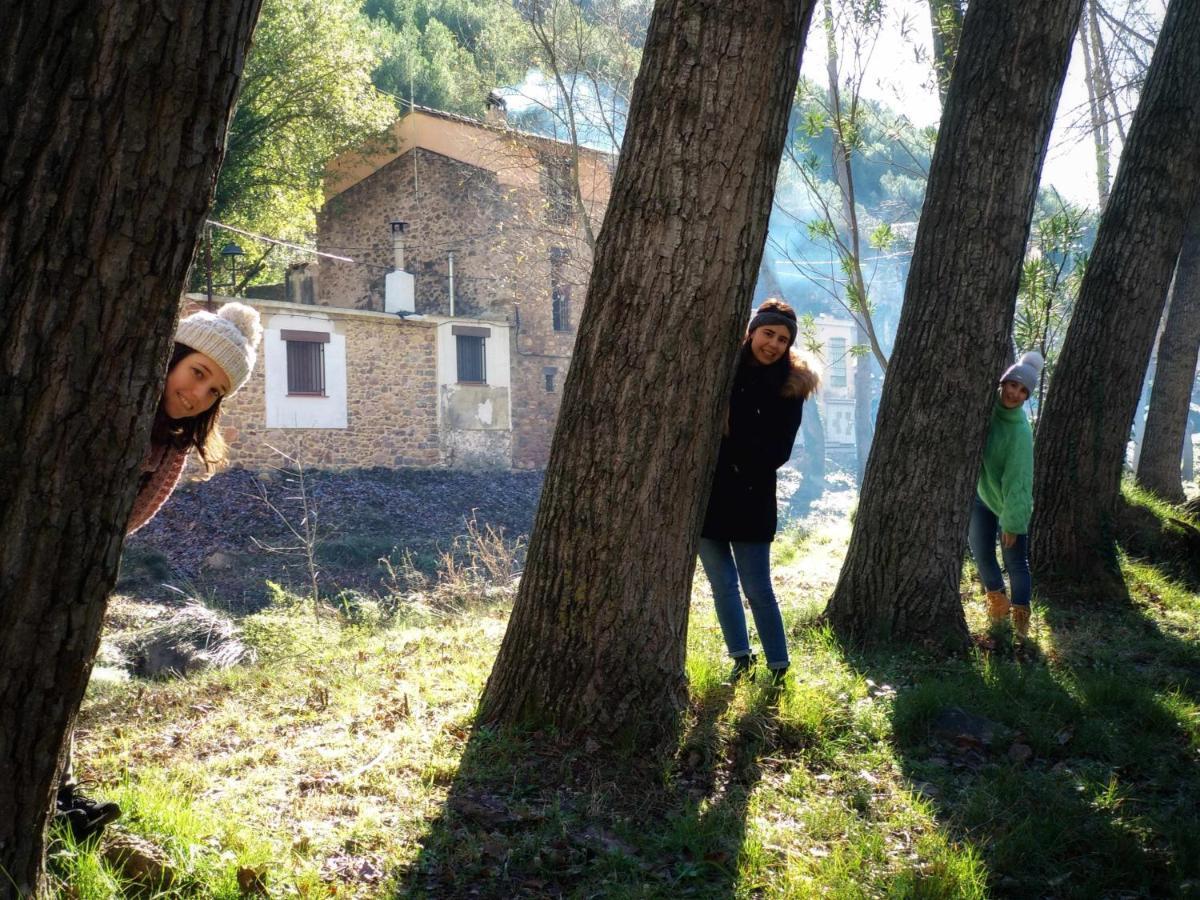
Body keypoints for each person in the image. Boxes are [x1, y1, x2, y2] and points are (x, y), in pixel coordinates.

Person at [56, 301, 261, 841]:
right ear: (171, 357)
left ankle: (63, 798)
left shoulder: (172, 451)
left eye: (213, 390)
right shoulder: (111, 405)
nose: (197, 394)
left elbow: (126, 522)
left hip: (75, 573)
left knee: (57, 676)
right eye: (197, 372)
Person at [698, 299, 819, 686]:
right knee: (721, 584)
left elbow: (778, 451)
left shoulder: (790, 386)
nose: (774, 344)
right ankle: (740, 659)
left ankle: (779, 666)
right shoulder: (720, 370)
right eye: (768, 334)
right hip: (707, 495)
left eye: (783, 339)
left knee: (757, 587)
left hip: (752, 496)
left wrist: (733, 450)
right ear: (752, 331)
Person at [968, 350, 1043, 639]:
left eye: (1023, 391)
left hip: (1010, 505)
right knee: (982, 553)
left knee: (1016, 563)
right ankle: (998, 611)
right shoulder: (985, 408)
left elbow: (1019, 481)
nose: (1015, 393)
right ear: (1004, 381)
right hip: (980, 496)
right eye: (1013, 385)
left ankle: (1021, 624)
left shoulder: (1019, 431)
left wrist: (1012, 522)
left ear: (1026, 397)